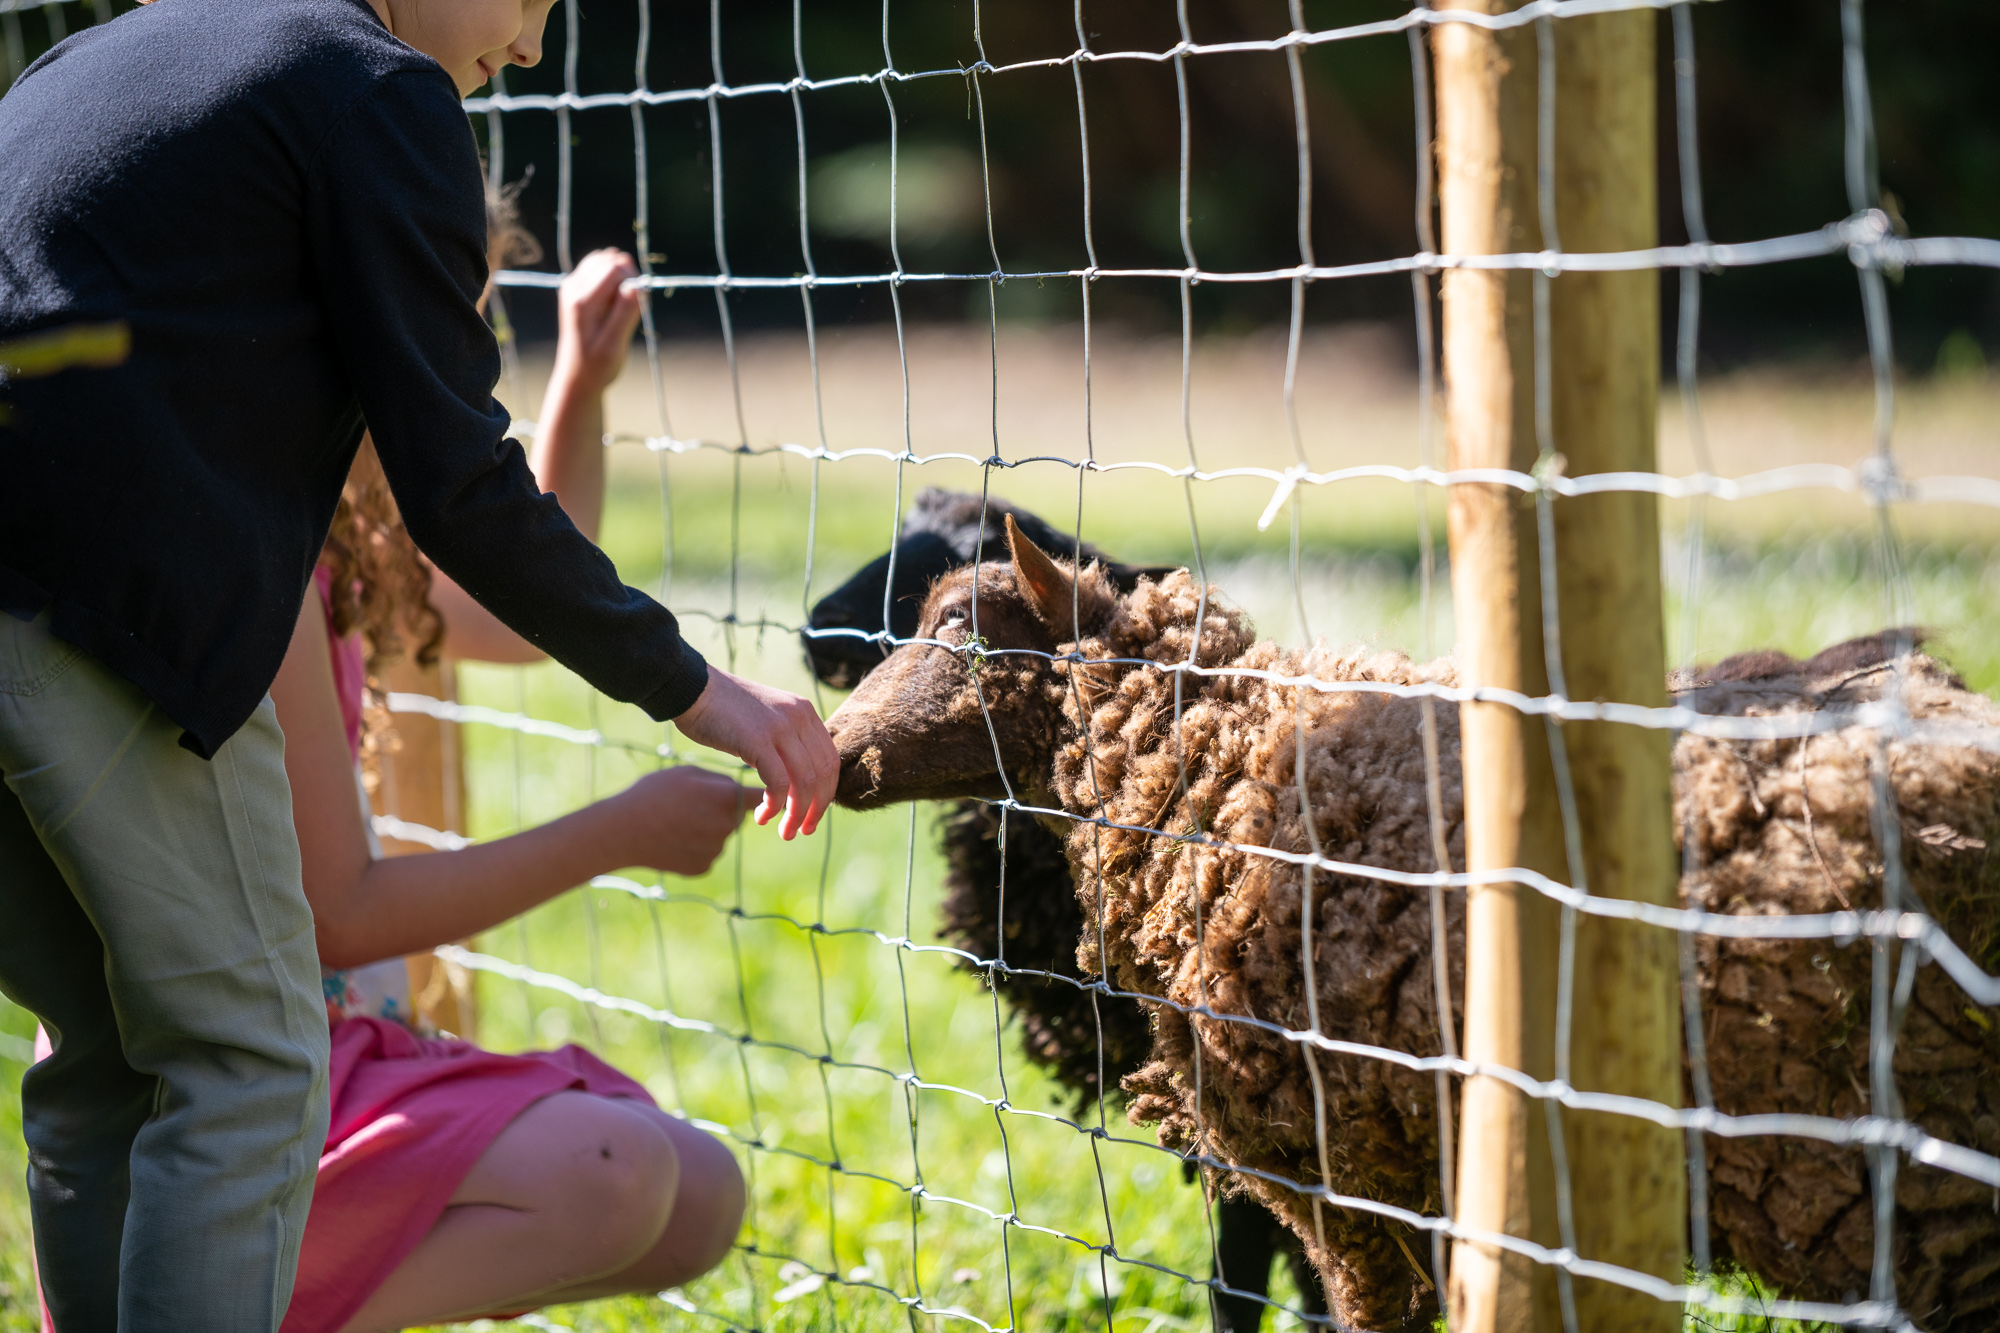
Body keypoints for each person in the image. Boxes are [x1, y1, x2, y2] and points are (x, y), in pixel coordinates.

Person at [0, 1, 837, 1329]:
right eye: (532, 0)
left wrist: (576, 406)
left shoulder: (138, 53)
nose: (532, 45)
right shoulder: (375, 88)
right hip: (85, 611)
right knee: (245, 1065)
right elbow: (465, 486)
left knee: (113, 1057)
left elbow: (476, 559)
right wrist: (704, 692)